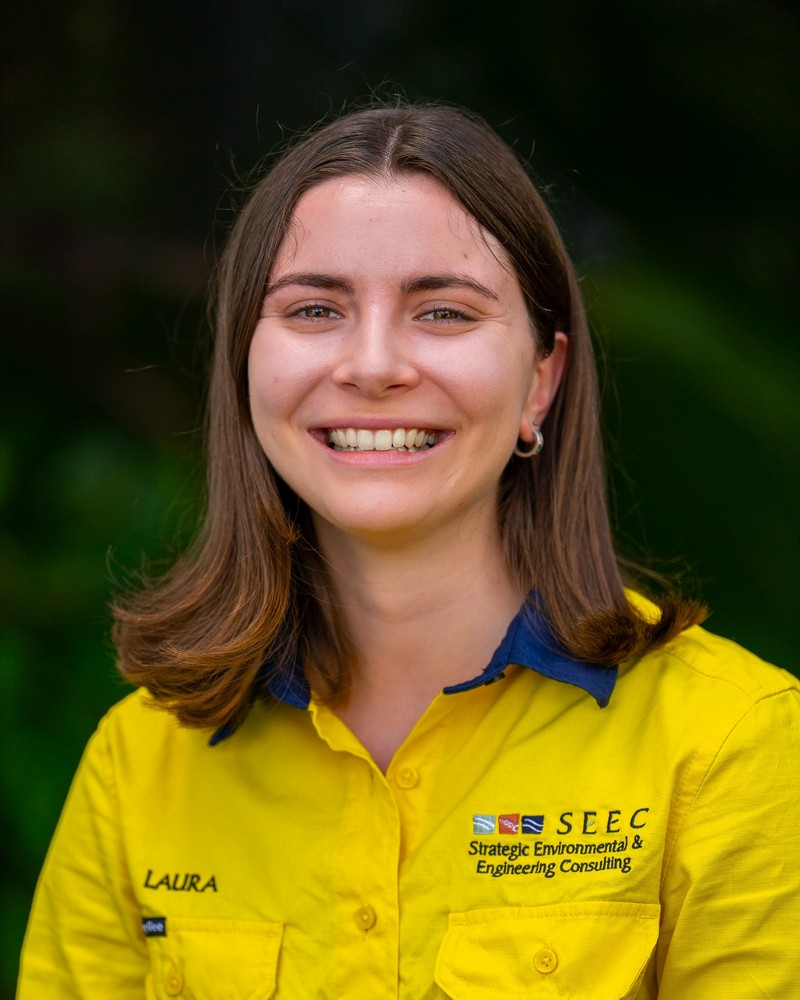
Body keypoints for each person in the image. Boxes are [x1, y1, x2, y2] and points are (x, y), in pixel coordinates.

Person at [18, 103, 800, 999]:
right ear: (245, 365)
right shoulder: (140, 762)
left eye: (443, 312)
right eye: (315, 309)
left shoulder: (728, 744)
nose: (373, 364)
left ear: (540, 381)